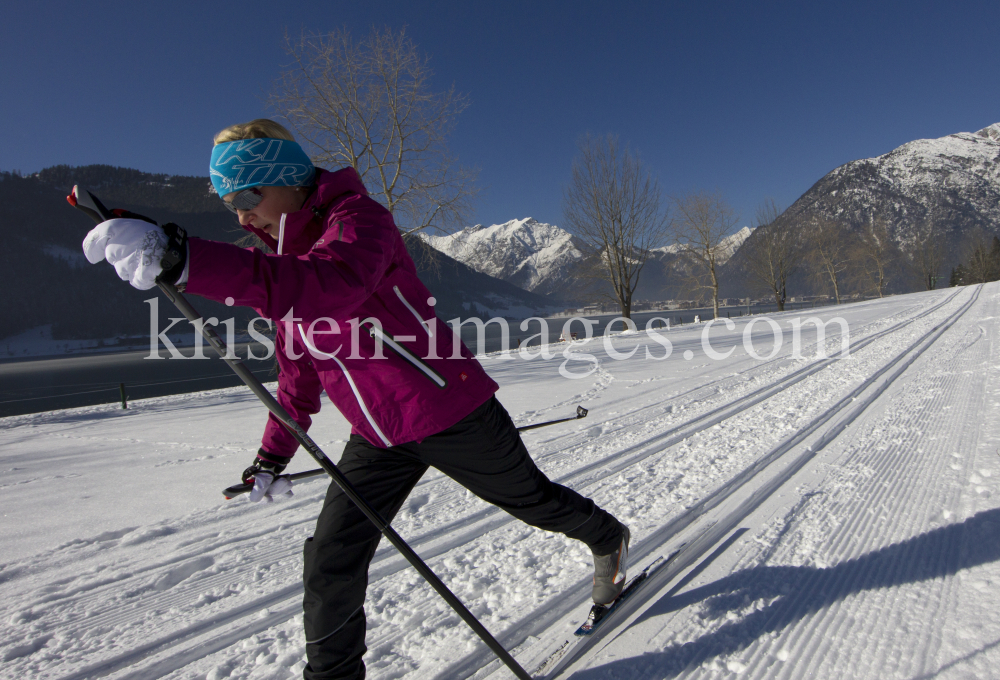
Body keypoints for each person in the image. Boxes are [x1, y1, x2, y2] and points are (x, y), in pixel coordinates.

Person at [82, 118, 630, 680]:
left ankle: (607, 536)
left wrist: (186, 260)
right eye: (229, 205)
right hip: (377, 437)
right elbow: (297, 374)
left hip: (450, 412)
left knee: (532, 502)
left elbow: (330, 286)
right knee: (329, 562)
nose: (242, 215)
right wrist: (272, 457)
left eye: (248, 195)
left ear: (290, 180)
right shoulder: (280, 262)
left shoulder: (360, 221)